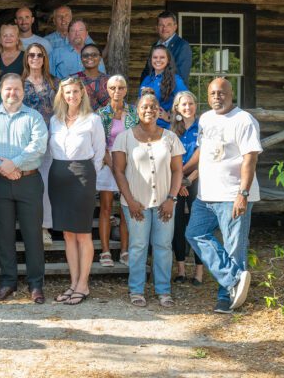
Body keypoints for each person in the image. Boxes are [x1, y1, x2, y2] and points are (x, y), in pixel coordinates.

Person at [185, 78, 261, 314]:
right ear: (207, 97)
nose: (217, 97)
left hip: (232, 194)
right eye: (212, 93)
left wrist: (243, 193)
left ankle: (226, 298)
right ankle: (234, 280)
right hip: (206, 194)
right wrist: (184, 173)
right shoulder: (206, 118)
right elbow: (202, 152)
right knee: (194, 233)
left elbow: (250, 158)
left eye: (221, 93)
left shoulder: (244, 120)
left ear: (231, 94)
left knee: (234, 246)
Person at [0, 74, 48, 304]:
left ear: (23, 92)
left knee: (32, 235)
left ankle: (36, 284)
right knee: (4, 236)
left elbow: (37, 147)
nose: (12, 93)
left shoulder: (34, 117)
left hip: (28, 181)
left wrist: (12, 163)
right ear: (1, 91)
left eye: (16, 89)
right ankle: (8, 282)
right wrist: (2, 167)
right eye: (8, 89)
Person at [112, 94, 185, 308]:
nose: (149, 109)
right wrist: (130, 201)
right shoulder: (124, 138)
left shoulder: (170, 137)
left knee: (163, 245)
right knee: (138, 246)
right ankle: (136, 289)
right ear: (137, 110)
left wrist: (172, 198)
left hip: (165, 202)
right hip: (136, 204)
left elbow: (177, 170)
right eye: (144, 106)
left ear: (159, 110)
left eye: (153, 106)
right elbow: (118, 171)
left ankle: (163, 290)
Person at [48, 77, 105, 306]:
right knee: (67, 234)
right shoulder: (54, 120)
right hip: (58, 176)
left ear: (82, 94)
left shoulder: (93, 120)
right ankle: (73, 283)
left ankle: (83, 284)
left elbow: (100, 153)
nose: (71, 96)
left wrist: (89, 175)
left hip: (82, 175)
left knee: (83, 233)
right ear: (61, 95)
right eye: (67, 92)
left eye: (75, 92)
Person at [20, 43, 59, 246]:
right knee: (26, 185)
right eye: (31, 55)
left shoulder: (54, 83)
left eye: (39, 55)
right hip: (25, 140)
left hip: (50, 139)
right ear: (26, 58)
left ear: (44, 58)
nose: (35, 58)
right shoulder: (18, 83)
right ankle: (28, 227)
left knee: (45, 183)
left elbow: (62, 110)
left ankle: (44, 227)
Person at [95, 75, 136, 267]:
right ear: (107, 90)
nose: (117, 92)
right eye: (113, 88)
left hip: (129, 162)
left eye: (121, 88)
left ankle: (125, 250)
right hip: (107, 163)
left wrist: (124, 166)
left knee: (125, 208)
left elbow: (138, 139)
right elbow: (99, 143)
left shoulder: (133, 113)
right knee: (106, 208)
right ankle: (105, 251)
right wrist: (113, 166)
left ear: (126, 90)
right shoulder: (100, 114)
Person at [170, 91, 204, 285]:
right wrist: (179, 180)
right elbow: (167, 157)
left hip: (197, 180)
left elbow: (204, 156)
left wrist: (187, 179)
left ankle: (199, 271)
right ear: (177, 107)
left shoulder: (203, 127)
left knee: (197, 224)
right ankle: (181, 269)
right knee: (177, 224)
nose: (188, 107)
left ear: (195, 105)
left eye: (191, 103)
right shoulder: (171, 129)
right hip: (176, 181)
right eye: (184, 104)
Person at [139, 44, 189, 128]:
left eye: (162, 57)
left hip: (164, 129)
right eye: (155, 57)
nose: (158, 60)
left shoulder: (175, 80)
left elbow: (187, 103)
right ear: (151, 60)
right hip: (145, 128)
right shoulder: (147, 79)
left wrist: (169, 117)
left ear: (168, 60)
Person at [139, 11, 192, 84]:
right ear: (157, 27)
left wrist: (157, 85)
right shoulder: (155, 46)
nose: (164, 28)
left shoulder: (182, 46)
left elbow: (180, 76)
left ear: (175, 27)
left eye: (168, 25)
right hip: (151, 92)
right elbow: (146, 72)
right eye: (161, 25)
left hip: (173, 94)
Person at [76, 44, 110, 111]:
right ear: (81, 59)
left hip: (106, 120)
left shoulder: (109, 80)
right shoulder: (74, 80)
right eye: (86, 55)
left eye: (94, 55)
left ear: (100, 58)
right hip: (80, 120)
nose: (90, 57)